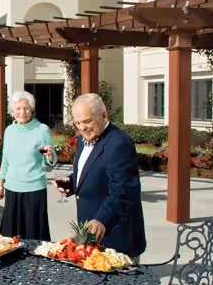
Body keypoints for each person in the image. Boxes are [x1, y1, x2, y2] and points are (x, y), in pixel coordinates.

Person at [54, 92, 146, 258]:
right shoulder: (82, 140)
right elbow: (91, 171)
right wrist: (71, 183)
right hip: (91, 237)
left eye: (87, 121)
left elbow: (123, 191)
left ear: (104, 115)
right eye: (78, 123)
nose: (82, 127)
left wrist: (102, 219)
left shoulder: (119, 143)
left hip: (115, 235)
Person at [0, 91, 56, 240]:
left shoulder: (41, 130)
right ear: (12, 111)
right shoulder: (9, 131)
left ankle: (35, 263)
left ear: (32, 110)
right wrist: (0, 184)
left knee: (33, 234)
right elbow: (6, 160)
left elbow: (50, 160)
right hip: (12, 188)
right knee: (10, 236)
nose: (22, 112)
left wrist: (49, 155)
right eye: (18, 108)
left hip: (34, 188)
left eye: (26, 108)